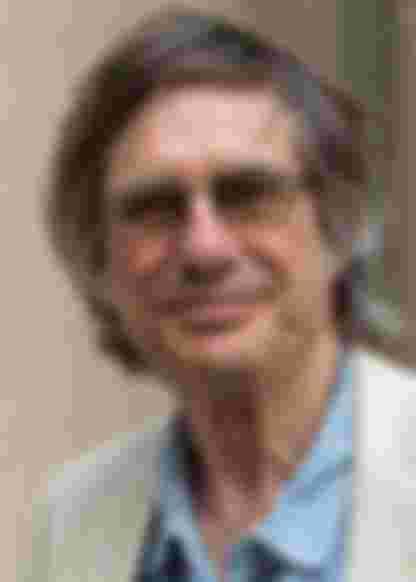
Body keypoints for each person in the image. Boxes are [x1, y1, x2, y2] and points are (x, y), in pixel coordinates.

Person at [26, 7, 416, 582]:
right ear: (100, 258)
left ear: (339, 225)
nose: (204, 249)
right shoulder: (72, 521)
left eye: (247, 194)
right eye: (154, 208)